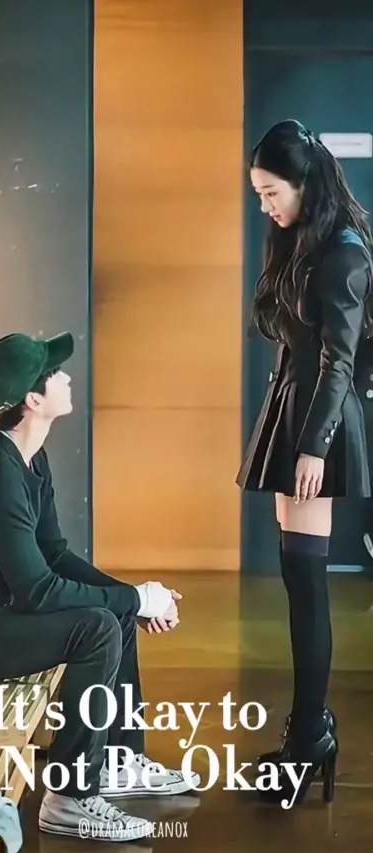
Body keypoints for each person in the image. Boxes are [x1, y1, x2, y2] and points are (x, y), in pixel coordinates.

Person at [0, 330, 200, 841]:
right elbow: (36, 591)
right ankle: (70, 799)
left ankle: (117, 762)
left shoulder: (27, 456)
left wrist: (135, 599)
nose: (66, 377)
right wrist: (134, 598)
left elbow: (54, 554)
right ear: (33, 401)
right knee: (96, 628)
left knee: (114, 614)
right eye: (54, 373)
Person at [236, 119, 373, 806]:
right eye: (258, 195)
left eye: (270, 193)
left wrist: (315, 444)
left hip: (317, 422)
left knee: (308, 585)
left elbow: (340, 362)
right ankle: (307, 732)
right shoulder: (303, 241)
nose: (265, 206)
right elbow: (282, 329)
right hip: (291, 410)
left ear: (303, 182)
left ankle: (310, 737)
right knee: (298, 579)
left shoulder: (345, 253)